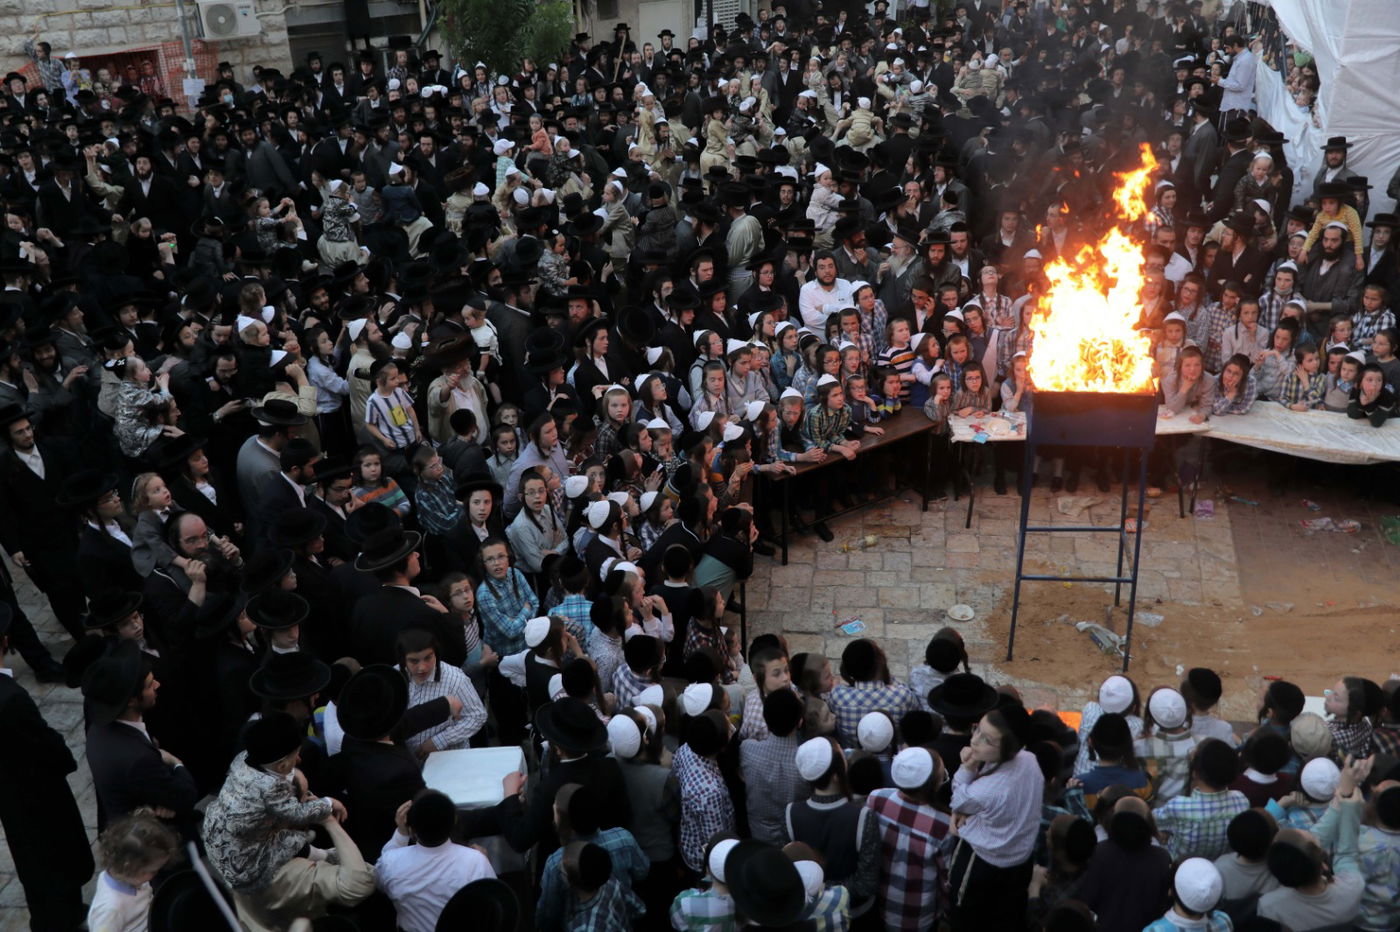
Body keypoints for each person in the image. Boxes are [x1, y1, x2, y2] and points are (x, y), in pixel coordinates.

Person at [0, 602, 94, 929]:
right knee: (53, 861)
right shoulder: (10, 698)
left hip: (12, 794)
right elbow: (44, 744)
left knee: (34, 860)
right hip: (36, 793)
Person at [947, 703, 1044, 930]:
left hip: (983, 862)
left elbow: (959, 799)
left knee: (968, 919)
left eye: (987, 740)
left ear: (1010, 750)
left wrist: (968, 766)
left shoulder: (987, 791)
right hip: (1019, 858)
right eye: (977, 729)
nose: (975, 740)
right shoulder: (1029, 760)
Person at [376, 790, 498, 932]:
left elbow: (380, 880)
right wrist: (483, 861)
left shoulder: (390, 861)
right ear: (454, 821)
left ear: (411, 826)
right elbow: (492, 905)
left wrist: (401, 833)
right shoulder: (475, 861)